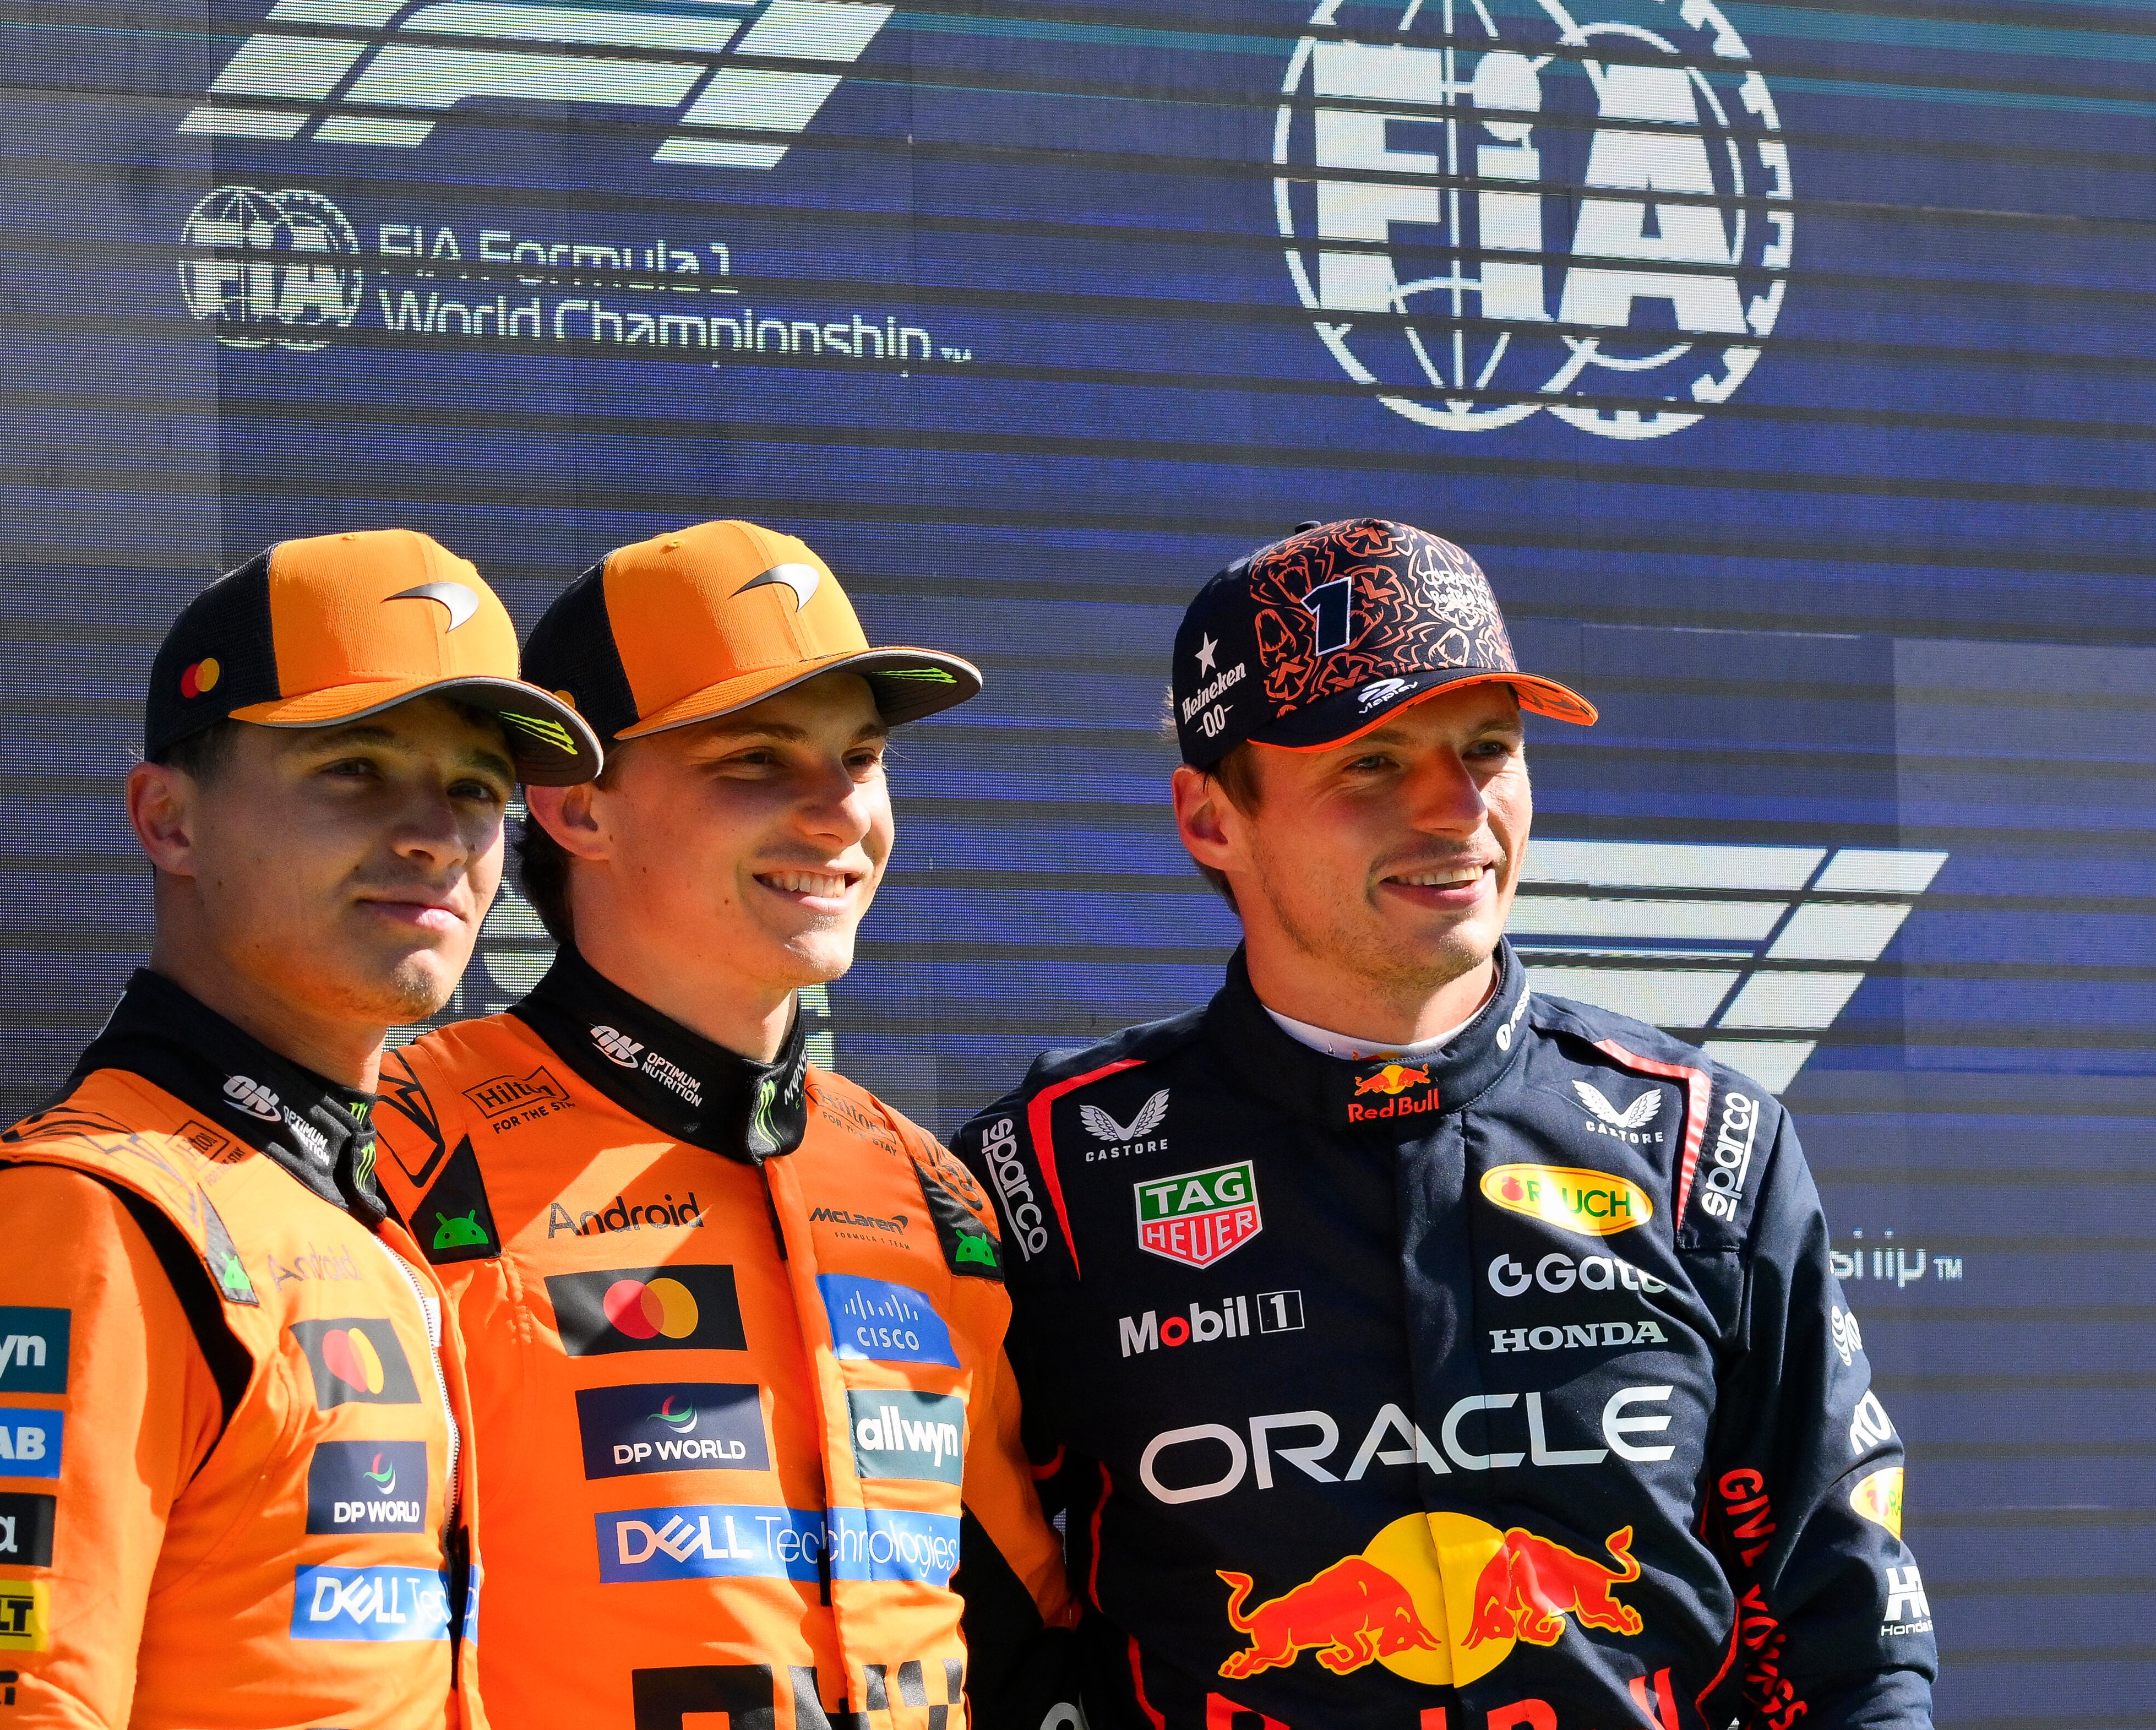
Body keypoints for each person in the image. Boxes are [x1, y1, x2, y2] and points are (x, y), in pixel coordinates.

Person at [952, 519, 1936, 1730]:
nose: (1455, 805)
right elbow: (969, 1631)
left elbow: (1842, 1631)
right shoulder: (1045, 1172)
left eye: (1488, 746)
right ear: (1211, 818)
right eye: (1372, 761)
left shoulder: (1702, 1142)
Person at [0, 531, 601, 1729]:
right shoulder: (76, 1215)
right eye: (356, 768)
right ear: (169, 820)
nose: (435, 835)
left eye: (475, 788)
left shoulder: (372, 1202)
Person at [368, 519, 1076, 1730]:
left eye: (861, 757)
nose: (838, 813)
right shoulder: (399, 1142)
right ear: (577, 806)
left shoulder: (926, 1183)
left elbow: (1019, 1628)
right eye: (757, 760)